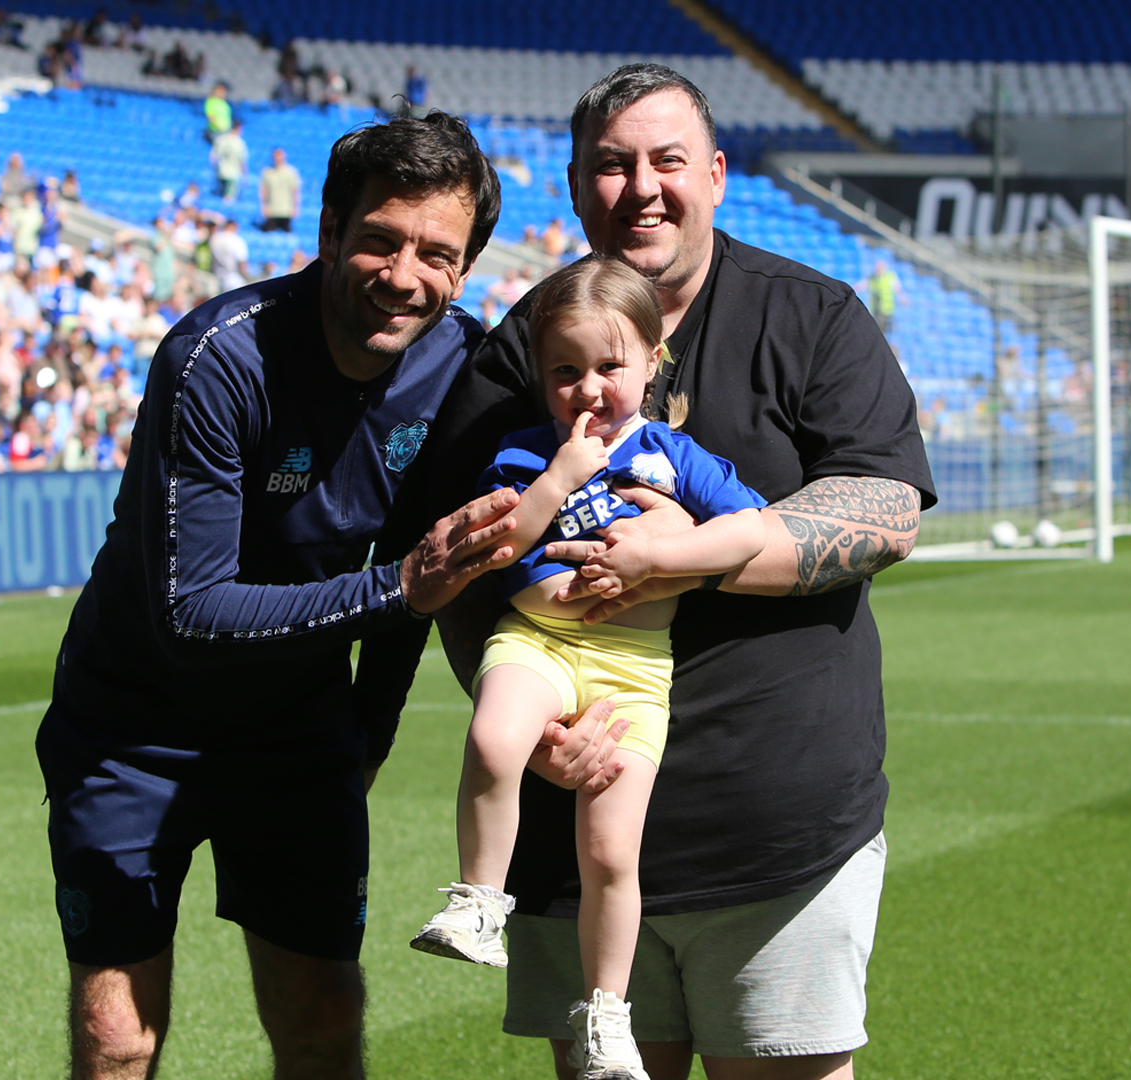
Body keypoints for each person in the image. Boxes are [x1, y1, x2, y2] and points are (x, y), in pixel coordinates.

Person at [33, 110, 616, 1080]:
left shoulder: (458, 370)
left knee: (320, 1018)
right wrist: (398, 589)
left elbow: (427, 584)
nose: (403, 275)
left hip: (300, 733)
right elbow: (195, 610)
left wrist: (366, 737)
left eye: (437, 253)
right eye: (380, 240)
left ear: (466, 267)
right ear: (330, 231)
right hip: (133, 723)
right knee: (116, 1039)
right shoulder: (217, 360)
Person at [404, 64, 934, 1080]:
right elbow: (463, 564)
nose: (641, 186)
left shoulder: (810, 315)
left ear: (718, 176)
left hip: (778, 841)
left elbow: (886, 509)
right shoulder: (526, 348)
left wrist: (679, 558)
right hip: (574, 837)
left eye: (667, 160)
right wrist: (531, 724)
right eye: (611, 165)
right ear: (574, 187)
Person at [410, 257, 767, 1080]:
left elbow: (750, 530)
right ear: (541, 379)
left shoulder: (675, 457)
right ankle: (476, 904)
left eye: (610, 366)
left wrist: (666, 553)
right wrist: (557, 480)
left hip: (632, 667)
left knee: (610, 851)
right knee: (495, 742)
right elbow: (500, 548)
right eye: (565, 372)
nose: (588, 388)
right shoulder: (526, 451)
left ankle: (607, 1016)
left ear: (652, 362)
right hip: (535, 641)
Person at [258, 146, 301, 232]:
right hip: (272, 210)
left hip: (286, 210)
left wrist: (296, 207)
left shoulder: (291, 172)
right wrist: (263, 206)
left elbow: (295, 191)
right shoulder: (267, 172)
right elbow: (263, 190)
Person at [212, 118, 249, 204]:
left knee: (220, 197)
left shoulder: (221, 140)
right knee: (229, 199)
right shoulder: (239, 143)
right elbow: (242, 162)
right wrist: (245, 175)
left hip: (220, 173)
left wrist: (215, 169)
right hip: (233, 174)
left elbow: (214, 157)